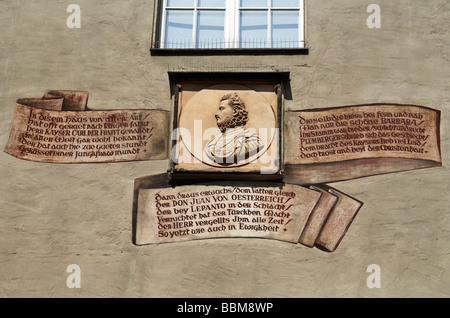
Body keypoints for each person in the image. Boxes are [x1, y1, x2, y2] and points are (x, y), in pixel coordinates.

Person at [204, 93, 263, 164]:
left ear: (235, 111)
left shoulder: (252, 141)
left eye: (221, 109)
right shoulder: (212, 143)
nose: (216, 114)